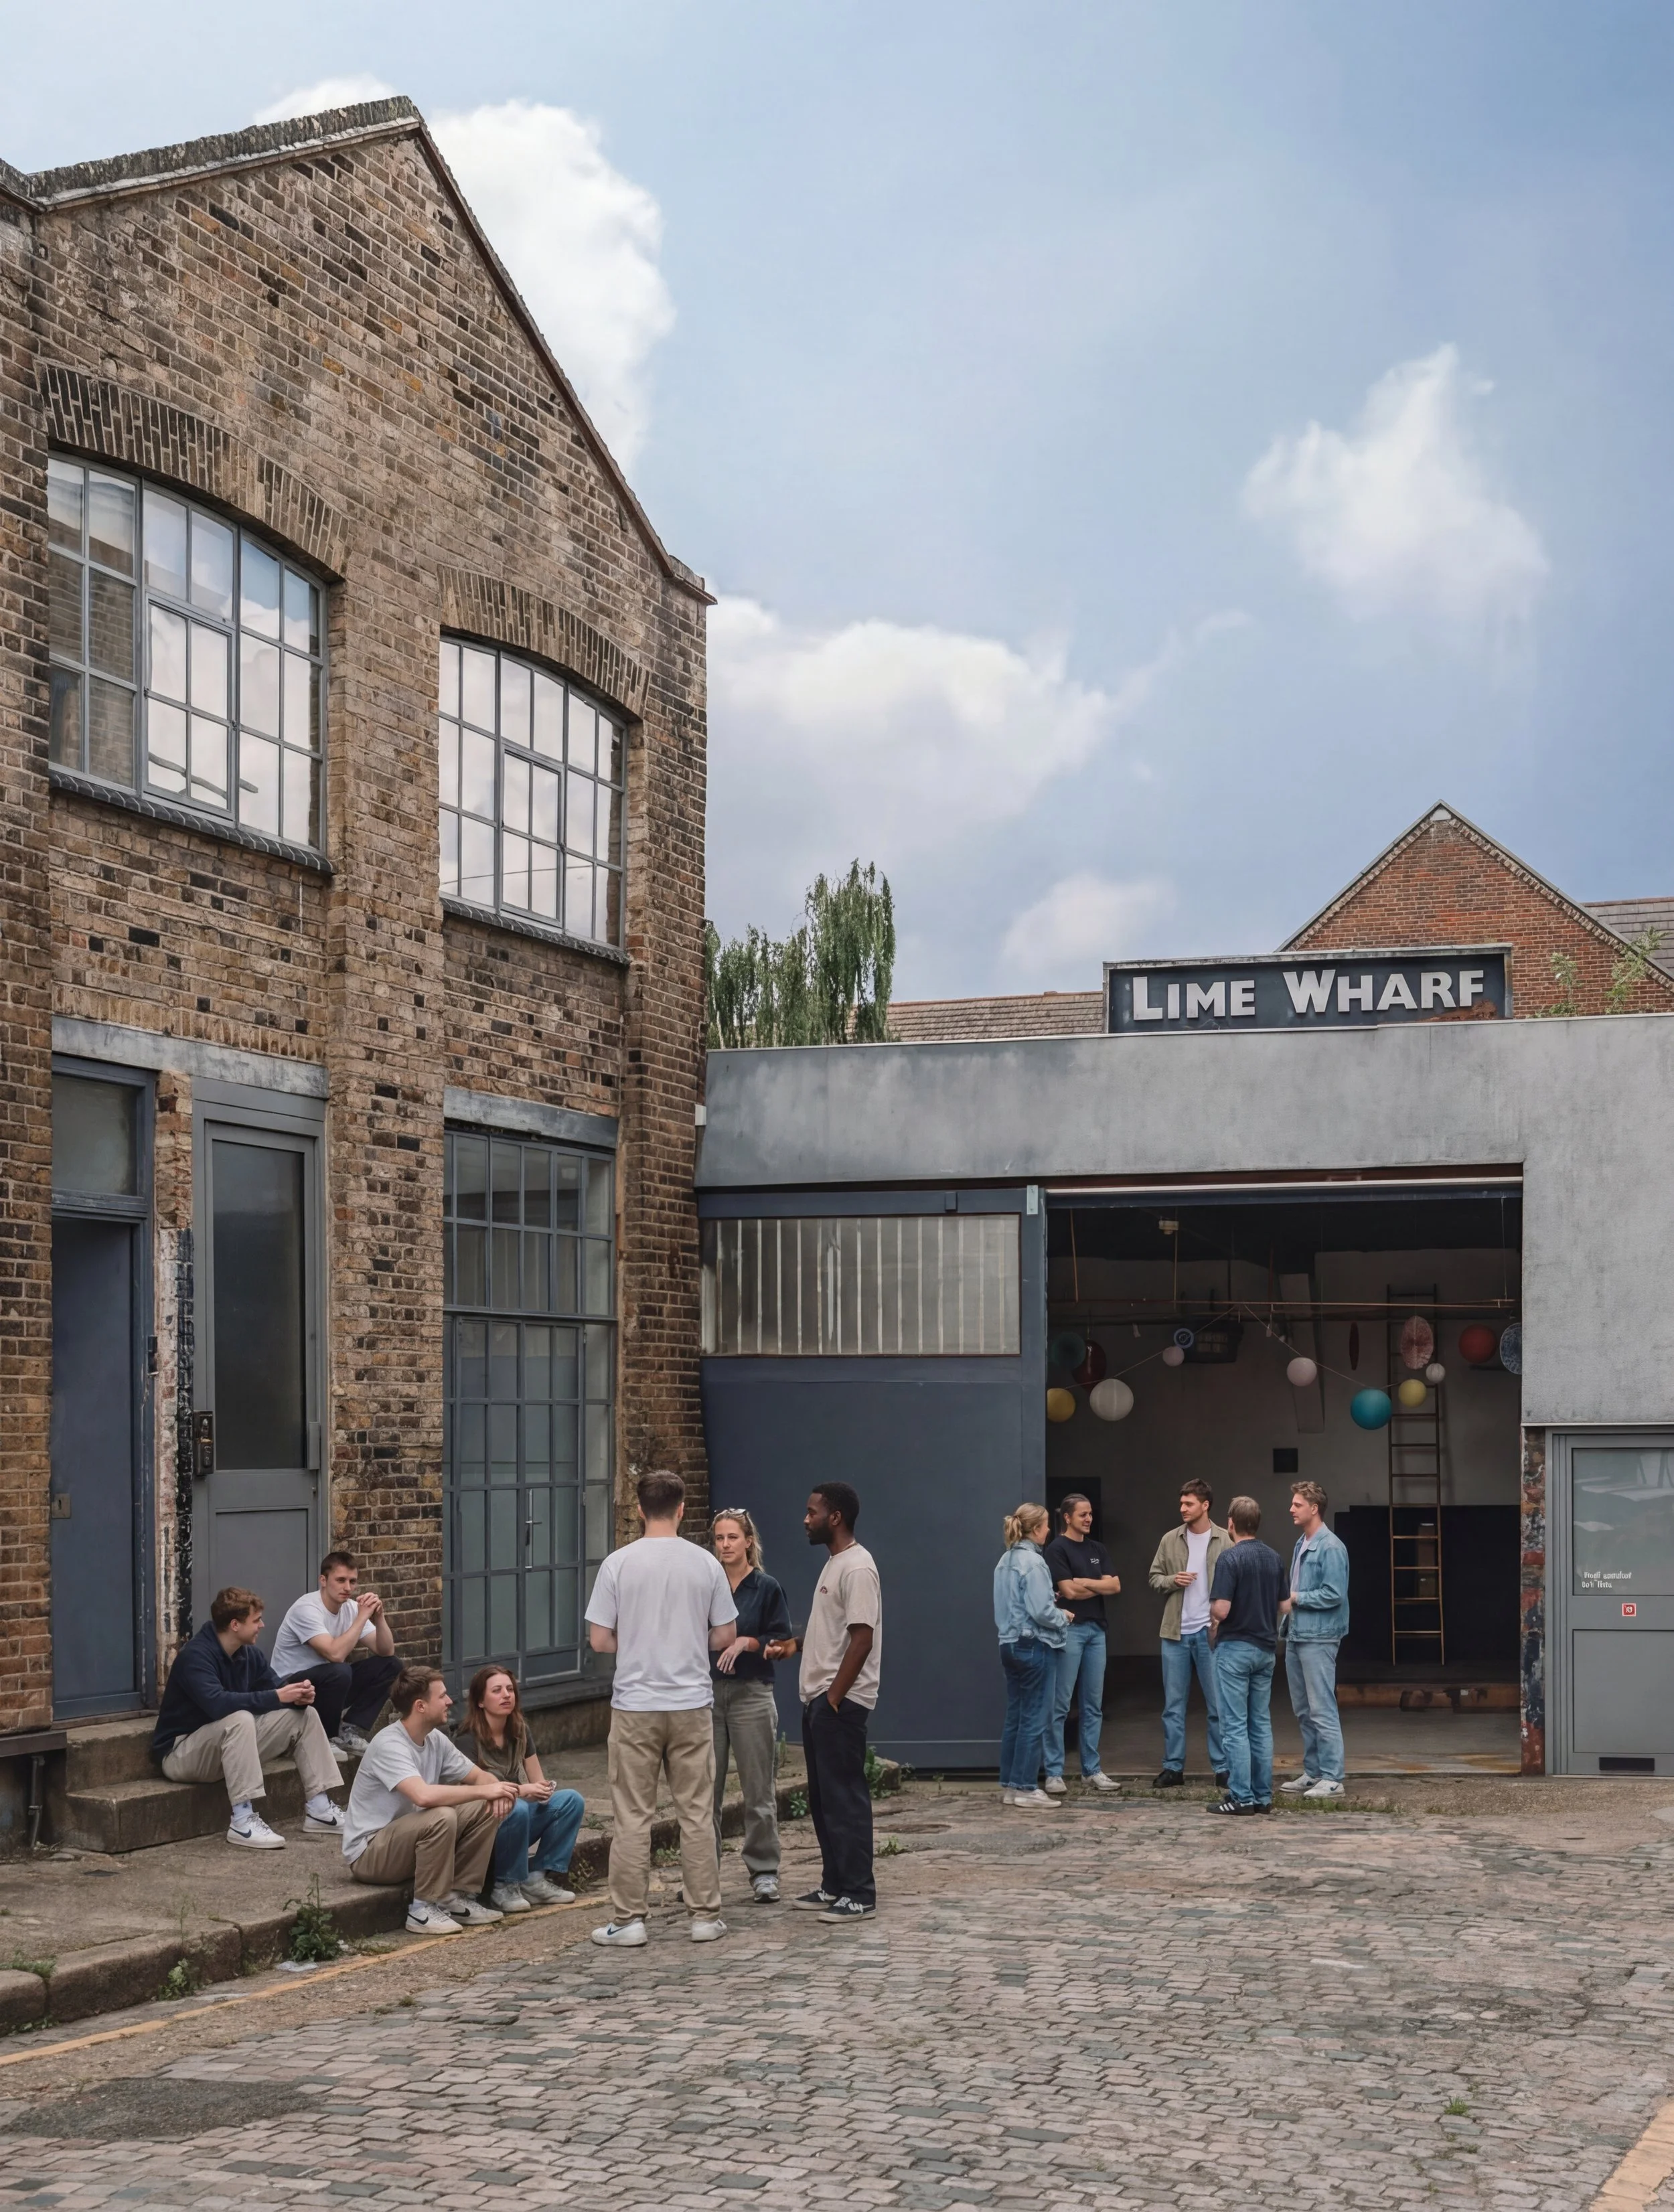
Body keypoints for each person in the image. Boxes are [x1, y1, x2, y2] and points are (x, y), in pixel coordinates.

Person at [585, 1469, 738, 1948]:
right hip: (691, 1702)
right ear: (682, 1509)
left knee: (633, 1815)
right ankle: (705, 1916)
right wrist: (688, 1639)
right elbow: (725, 1635)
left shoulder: (618, 1564)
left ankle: (629, 1919)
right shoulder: (706, 1564)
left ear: (638, 1510)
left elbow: (599, 1639)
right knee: (696, 1812)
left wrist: (637, 1641)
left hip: (636, 1704)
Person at [152, 1586, 346, 1850]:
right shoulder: (195, 1657)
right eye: (256, 1620)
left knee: (306, 1716)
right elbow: (218, 1705)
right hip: (181, 1754)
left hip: (227, 1748)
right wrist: (278, 1696)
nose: (262, 1626)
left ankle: (320, 1809)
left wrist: (298, 1698)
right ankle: (242, 1820)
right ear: (235, 1625)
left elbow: (275, 1690)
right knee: (240, 1718)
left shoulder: (248, 1654)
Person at [771, 1482, 882, 1923]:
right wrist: (796, 1645)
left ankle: (859, 1893)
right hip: (820, 1700)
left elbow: (862, 1639)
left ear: (835, 1517)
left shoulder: (857, 1568)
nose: (805, 1519)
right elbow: (836, 1632)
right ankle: (834, 1884)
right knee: (824, 1801)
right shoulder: (836, 1563)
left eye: (812, 1512)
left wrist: (834, 1697)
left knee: (844, 1799)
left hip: (840, 1704)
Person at [342, 1664, 516, 1933]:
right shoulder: (390, 1744)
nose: (450, 1701)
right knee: (442, 1814)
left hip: (409, 1842)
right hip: (370, 1854)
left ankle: (455, 1897)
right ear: (421, 1706)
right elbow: (423, 1796)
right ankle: (422, 1910)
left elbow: (480, 1777)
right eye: (442, 1696)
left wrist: (496, 1791)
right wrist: (487, 1791)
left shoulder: (435, 1739)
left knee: (484, 1806)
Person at [454, 1665, 587, 1913]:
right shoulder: (466, 1739)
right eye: (497, 1691)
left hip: (517, 1819)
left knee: (571, 1800)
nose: (506, 1695)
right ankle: (504, 1886)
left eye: (510, 1689)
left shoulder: (520, 1730)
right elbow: (471, 1796)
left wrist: (543, 1791)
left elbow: (539, 1780)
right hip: (485, 1828)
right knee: (517, 1808)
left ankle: (534, 1880)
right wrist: (524, 1791)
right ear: (481, 1701)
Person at [710, 1507, 793, 1903]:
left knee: (758, 1790)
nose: (725, 1545)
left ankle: (764, 1871)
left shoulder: (766, 1587)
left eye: (732, 1537)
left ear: (748, 1542)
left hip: (752, 1693)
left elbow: (782, 1640)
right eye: (719, 1538)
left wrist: (748, 1642)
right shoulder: (706, 1583)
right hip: (707, 1695)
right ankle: (702, 1875)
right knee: (702, 1793)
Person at [269, 1550, 402, 1757]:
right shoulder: (306, 1608)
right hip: (290, 1688)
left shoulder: (351, 1608)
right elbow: (335, 1654)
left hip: (327, 1686)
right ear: (323, 1580)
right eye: (341, 1580)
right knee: (340, 1670)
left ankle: (349, 1731)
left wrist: (379, 1617)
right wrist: (362, 1618)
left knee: (392, 1665)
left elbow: (386, 1651)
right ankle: (326, 1737)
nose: (347, 1588)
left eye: (352, 1581)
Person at [1207, 1496, 1289, 1816]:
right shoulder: (1274, 1558)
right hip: (1265, 1649)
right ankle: (1263, 1797)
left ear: (1231, 1524)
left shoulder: (1229, 1559)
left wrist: (1212, 1615)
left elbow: (1222, 1610)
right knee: (1260, 1724)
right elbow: (1284, 1606)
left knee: (1235, 1726)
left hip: (1235, 1649)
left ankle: (1241, 1798)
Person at [1148, 1482, 1231, 1791]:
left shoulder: (1225, 1540)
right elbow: (1154, 1578)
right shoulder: (1170, 1539)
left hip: (1211, 1633)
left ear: (1205, 1505)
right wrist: (1173, 1579)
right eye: (1181, 1503)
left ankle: (1223, 1768)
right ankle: (1173, 1768)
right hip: (1175, 1633)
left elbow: (1237, 1584)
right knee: (1173, 1706)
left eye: (1189, 1504)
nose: (1182, 1508)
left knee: (1218, 1706)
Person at [993, 1504, 1073, 1809]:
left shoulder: (1005, 1560)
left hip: (1010, 1644)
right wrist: (1063, 1616)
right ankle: (1027, 1788)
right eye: (1046, 1525)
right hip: (1034, 1645)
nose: (1049, 1530)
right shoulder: (1035, 1563)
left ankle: (1012, 1786)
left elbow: (1016, 1603)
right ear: (1036, 1529)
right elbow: (1041, 1612)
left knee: (1016, 1716)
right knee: (1036, 1717)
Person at [1041, 1493, 1122, 1795]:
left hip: (1097, 1631)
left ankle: (1092, 1770)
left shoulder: (1097, 1548)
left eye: (1090, 1514)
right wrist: (1098, 1585)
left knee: (1093, 1705)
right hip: (1071, 1631)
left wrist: (1084, 1582)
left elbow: (1115, 1585)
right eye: (1082, 1514)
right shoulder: (1056, 1549)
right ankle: (1054, 1773)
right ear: (1067, 1517)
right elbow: (1068, 1592)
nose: (1089, 1519)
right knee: (1060, 1704)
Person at [1280, 1480, 1351, 1801]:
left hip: (1319, 1637)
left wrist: (1295, 1598)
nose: (1291, 1509)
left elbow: (1334, 1594)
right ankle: (1314, 1772)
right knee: (1304, 1709)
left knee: (1322, 1708)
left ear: (1314, 1508)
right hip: (1297, 1634)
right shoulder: (1302, 1543)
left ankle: (1333, 1778)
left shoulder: (1331, 1547)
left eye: (1297, 1505)